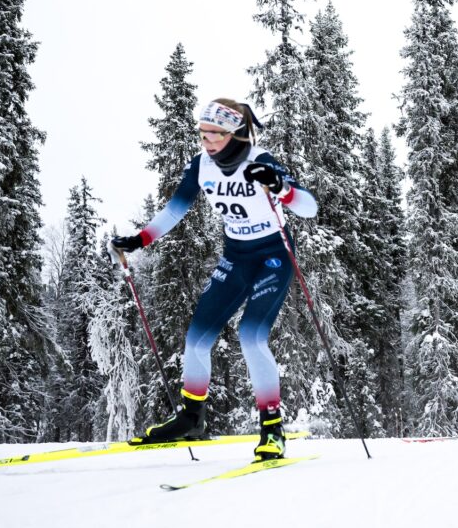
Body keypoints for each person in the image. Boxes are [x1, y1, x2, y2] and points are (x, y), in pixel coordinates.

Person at [110, 98, 318, 461]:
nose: (206, 142)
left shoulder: (259, 160)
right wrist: (142, 238)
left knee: (251, 337)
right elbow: (176, 207)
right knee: (196, 338)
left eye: (214, 135)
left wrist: (281, 189)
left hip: (273, 257)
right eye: (202, 134)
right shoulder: (201, 166)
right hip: (236, 258)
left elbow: (309, 207)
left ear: (234, 133)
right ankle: (191, 418)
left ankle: (272, 429)